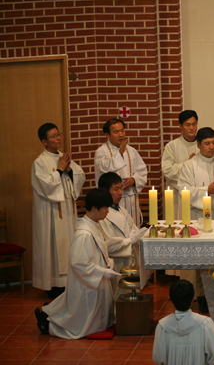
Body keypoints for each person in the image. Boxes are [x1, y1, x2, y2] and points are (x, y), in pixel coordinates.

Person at [34, 188, 121, 339]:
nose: (108, 211)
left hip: (96, 281)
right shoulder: (84, 234)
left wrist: (108, 262)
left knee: (98, 321)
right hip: (87, 285)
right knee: (84, 324)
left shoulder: (94, 224)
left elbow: (99, 250)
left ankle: (49, 315)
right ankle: (49, 325)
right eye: (105, 207)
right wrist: (102, 272)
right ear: (94, 208)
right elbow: (78, 263)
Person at [31, 123, 85, 299]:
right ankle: (53, 286)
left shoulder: (64, 157)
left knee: (68, 244)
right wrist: (61, 170)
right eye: (53, 136)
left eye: (58, 134)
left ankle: (70, 282)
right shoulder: (39, 162)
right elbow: (46, 186)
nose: (58, 138)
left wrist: (69, 170)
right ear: (44, 141)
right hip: (50, 212)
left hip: (67, 212)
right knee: (52, 247)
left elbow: (80, 175)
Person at [98, 172, 148, 298]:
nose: (120, 192)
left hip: (129, 260)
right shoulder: (101, 216)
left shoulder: (122, 210)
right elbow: (107, 246)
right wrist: (129, 241)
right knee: (117, 298)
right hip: (116, 264)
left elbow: (134, 231)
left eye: (121, 188)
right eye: (116, 189)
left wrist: (138, 234)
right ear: (105, 191)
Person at [152, 280, 214, 365]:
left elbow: (158, 359)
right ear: (192, 299)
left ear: (171, 300)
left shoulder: (163, 326)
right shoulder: (206, 324)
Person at [94, 118, 147, 227]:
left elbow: (142, 170)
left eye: (122, 131)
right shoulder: (101, 152)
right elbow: (104, 169)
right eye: (116, 132)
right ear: (107, 135)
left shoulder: (131, 150)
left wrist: (134, 180)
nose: (121, 135)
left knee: (132, 229)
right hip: (112, 201)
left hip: (130, 198)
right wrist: (119, 154)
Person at [162, 110, 199, 220]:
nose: (191, 128)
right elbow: (167, 170)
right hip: (178, 196)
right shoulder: (171, 146)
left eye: (194, 124)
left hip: (198, 194)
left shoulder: (202, 145)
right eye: (188, 125)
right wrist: (187, 165)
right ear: (180, 126)